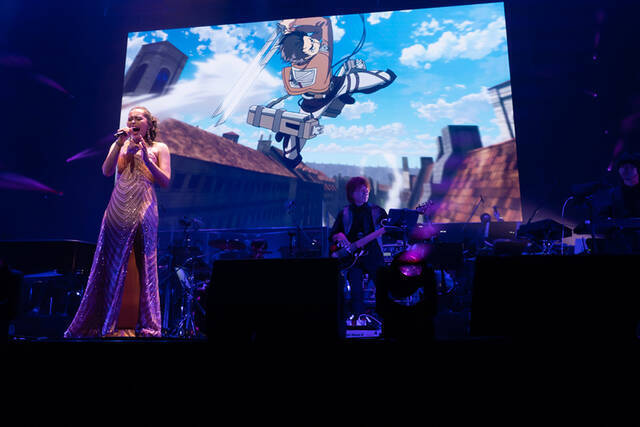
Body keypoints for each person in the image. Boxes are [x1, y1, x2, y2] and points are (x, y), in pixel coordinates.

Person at [64, 106, 171, 338]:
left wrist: (147, 158)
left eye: (138, 118)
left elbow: (165, 181)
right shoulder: (121, 144)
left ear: (148, 123)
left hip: (144, 205)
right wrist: (118, 144)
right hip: (118, 207)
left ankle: (140, 323)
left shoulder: (159, 147)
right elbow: (106, 170)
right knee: (112, 263)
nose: (132, 121)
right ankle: (109, 321)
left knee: (142, 261)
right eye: (130, 118)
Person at [274, 17, 396, 167]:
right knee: (381, 78)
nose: (315, 43)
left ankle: (290, 152)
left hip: (310, 102)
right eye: (311, 45)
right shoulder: (321, 59)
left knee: (297, 137)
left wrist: (291, 30)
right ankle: (385, 78)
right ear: (306, 53)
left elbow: (309, 38)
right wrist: (294, 23)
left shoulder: (296, 63)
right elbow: (324, 23)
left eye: (311, 41)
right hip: (333, 88)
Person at [329, 177, 387, 326]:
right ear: (351, 193)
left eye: (366, 190)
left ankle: (384, 320)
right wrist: (339, 235)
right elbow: (333, 234)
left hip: (374, 255)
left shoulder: (377, 211)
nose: (365, 192)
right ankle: (359, 321)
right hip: (352, 259)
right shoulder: (345, 212)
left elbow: (391, 228)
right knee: (356, 292)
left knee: (383, 287)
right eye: (361, 190)